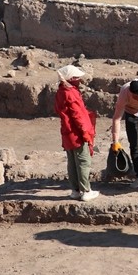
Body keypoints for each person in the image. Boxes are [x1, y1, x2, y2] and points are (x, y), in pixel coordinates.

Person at [54, 64, 98, 201]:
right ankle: (86, 191)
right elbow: (78, 116)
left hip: (67, 133)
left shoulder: (60, 92)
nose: (80, 80)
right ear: (72, 79)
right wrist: (85, 133)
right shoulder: (71, 93)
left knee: (72, 162)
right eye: (77, 78)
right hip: (77, 133)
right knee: (83, 162)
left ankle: (75, 190)